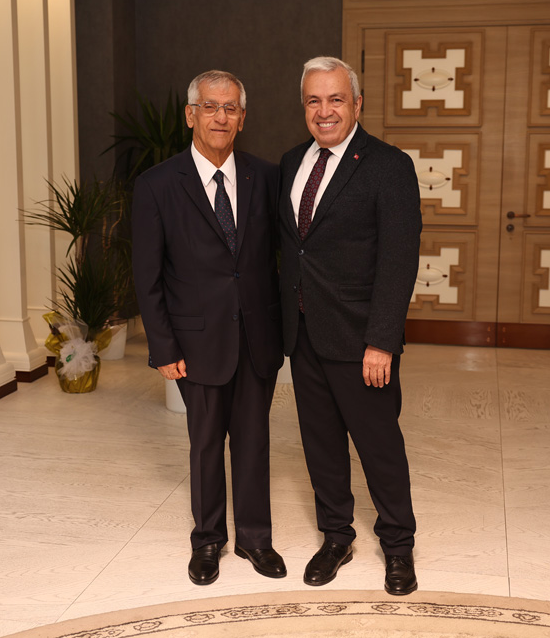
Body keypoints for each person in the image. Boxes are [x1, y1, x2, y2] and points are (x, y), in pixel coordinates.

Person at [132, 70, 285, 585]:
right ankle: (208, 540)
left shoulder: (266, 177)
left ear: (243, 118)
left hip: (257, 338)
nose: (221, 117)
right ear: (190, 115)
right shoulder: (156, 185)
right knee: (205, 444)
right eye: (211, 107)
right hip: (195, 342)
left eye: (231, 108)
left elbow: (280, 260)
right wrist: (162, 346)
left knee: (254, 441)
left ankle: (255, 539)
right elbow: (147, 276)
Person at [278, 56, 422, 595]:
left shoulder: (389, 165)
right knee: (320, 446)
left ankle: (399, 546)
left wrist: (381, 341)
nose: (325, 111)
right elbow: (293, 250)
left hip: (362, 340)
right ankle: (336, 536)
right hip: (303, 334)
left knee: (379, 447)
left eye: (336, 99)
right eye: (314, 100)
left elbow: (399, 260)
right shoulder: (291, 163)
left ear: (357, 104)